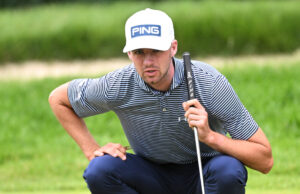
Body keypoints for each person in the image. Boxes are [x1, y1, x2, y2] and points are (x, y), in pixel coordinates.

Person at [49, 8, 273, 194]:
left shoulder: (208, 82)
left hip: (205, 173)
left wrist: (212, 137)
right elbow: (58, 99)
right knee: (99, 170)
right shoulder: (118, 84)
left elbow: (264, 159)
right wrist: (92, 150)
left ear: (173, 48)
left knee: (228, 170)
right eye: (139, 52)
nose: (148, 61)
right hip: (150, 175)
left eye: (156, 51)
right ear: (129, 54)